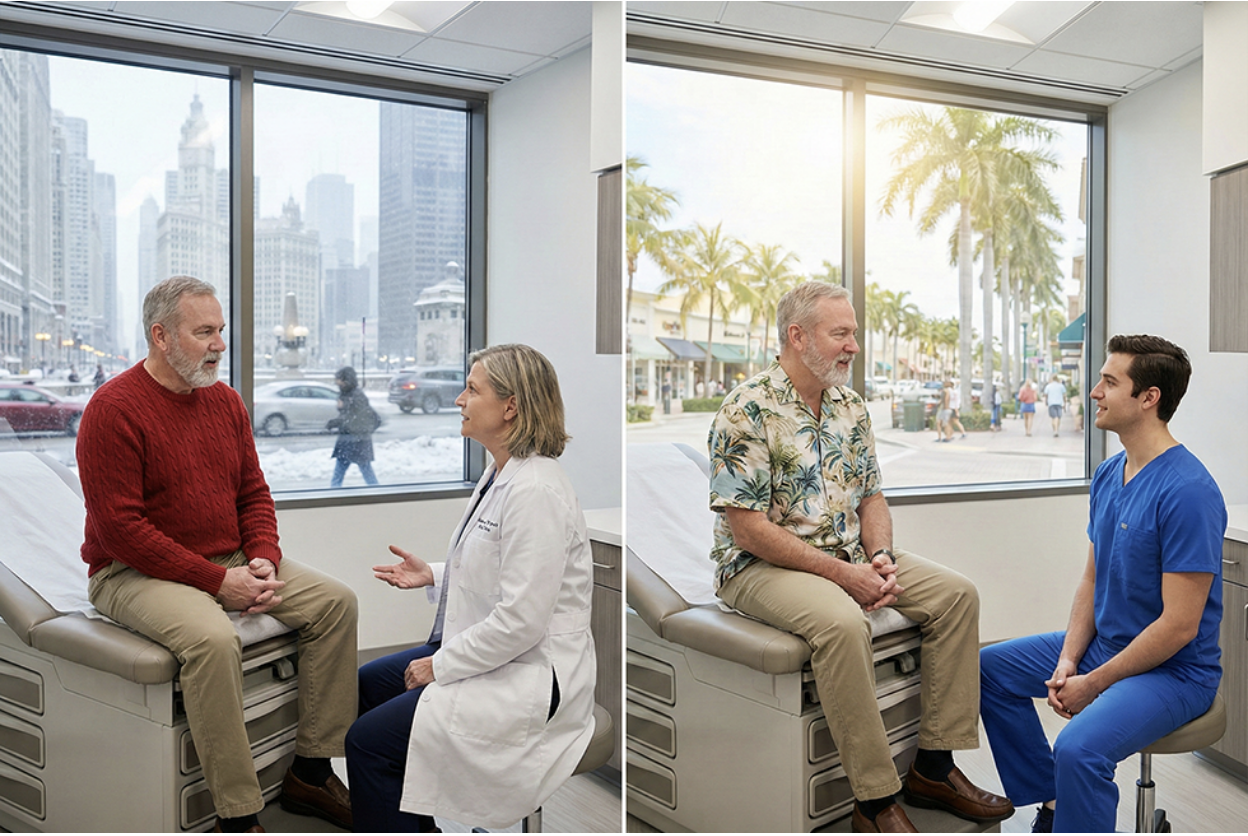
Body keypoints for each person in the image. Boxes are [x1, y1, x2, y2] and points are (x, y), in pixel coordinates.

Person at [708, 281, 1012, 833]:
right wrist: (846, 576)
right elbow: (747, 528)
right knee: (844, 622)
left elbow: (872, 497)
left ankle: (935, 767)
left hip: (847, 551)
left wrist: (881, 558)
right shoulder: (745, 408)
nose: (853, 346)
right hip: (757, 567)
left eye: (854, 333)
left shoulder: (850, 406)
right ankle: (873, 802)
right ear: (798, 337)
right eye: (840, 333)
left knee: (956, 595)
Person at [77, 276, 358, 834]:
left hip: (226, 556)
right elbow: (122, 530)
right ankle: (238, 815)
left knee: (336, 603)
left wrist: (262, 558)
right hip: (128, 570)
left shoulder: (224, 402)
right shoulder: (113, 410)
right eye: (204, 332)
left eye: (220, 331)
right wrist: (216, 582)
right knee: (212, 639)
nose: (219, 345)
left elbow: (252, 492)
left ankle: (310, 769)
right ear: (161, 336)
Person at [345, 343, 597, 832]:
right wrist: (437, 574)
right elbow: (502, 567)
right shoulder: (501, 472)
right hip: (499, 653)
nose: (459, 399)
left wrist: (439, 666)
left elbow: (522, 621)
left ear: (511, 406)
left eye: (472, 389)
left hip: (532, 673)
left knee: (367, 745)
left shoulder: (536, 491)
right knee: (368, 685)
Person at [979, 335, 1224, 833]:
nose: (1094, 392)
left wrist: (1094, 682)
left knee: (1078, 748)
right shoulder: (1110, 473)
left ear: (1148, 398)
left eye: (1110, 382)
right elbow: (1092, 578)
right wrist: (1070, 659)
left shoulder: (1189, 493)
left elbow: (1179, 627)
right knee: (990, 668)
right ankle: (1054, 802)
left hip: (1174, 673)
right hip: (1106, 646)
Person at [327, 365, 380, 488]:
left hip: (354, 440)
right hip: (354, 441)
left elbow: (355, 418)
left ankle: (333, 495)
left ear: (345, 380)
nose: (336, 382)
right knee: (364, 470)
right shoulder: (349, 394)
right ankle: (377, 492)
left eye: (338, 379)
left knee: (343, 471)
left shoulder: (354, 395)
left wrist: (337, 421)